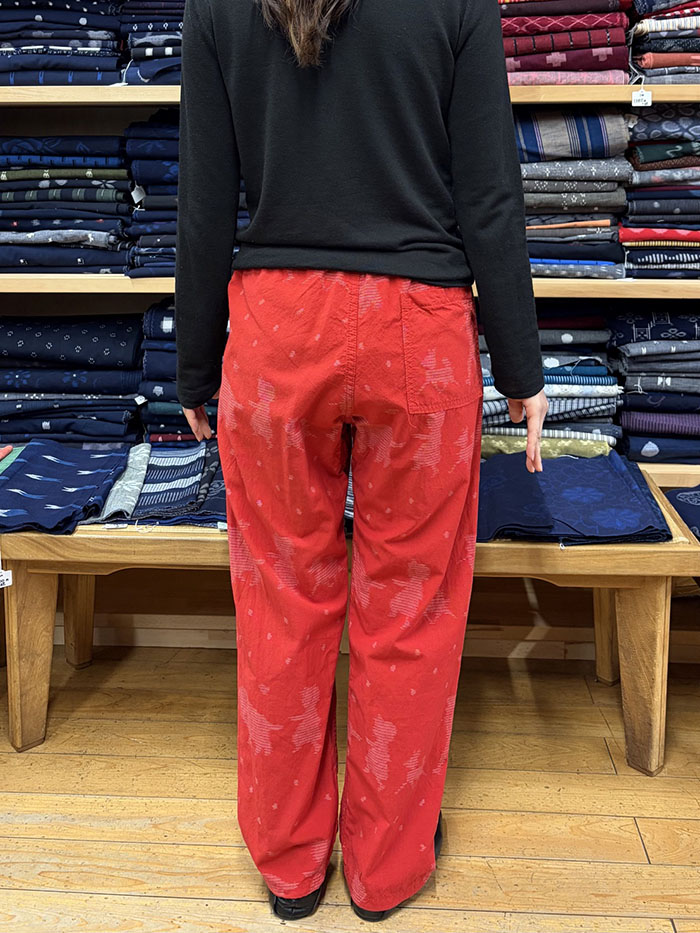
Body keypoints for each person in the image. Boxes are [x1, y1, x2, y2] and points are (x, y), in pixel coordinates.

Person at [174, 0, 548, 922]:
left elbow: (204, 195)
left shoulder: (214, 5)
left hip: (276, 330)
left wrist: (193, 363)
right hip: (419, 328)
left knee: (281, 597)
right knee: (412, 602)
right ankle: (385, 868)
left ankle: (291, 866)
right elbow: (489, 192)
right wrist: (521, 367)